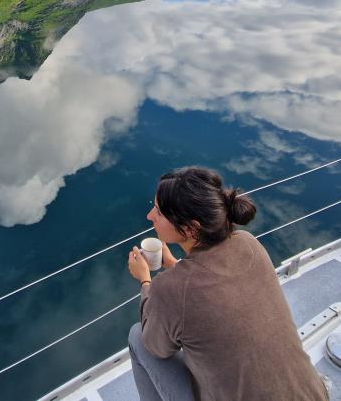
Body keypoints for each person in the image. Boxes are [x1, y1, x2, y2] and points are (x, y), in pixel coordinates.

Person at [127, 166, 329, 401]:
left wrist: (145, 280)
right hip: (313, 395)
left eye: (159, 212)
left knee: (137, 336)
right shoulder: (248, 243)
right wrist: (174, 264)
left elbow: (155, 346)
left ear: (191, 228)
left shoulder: (169, 289)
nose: (150, 216)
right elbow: (211, 284)